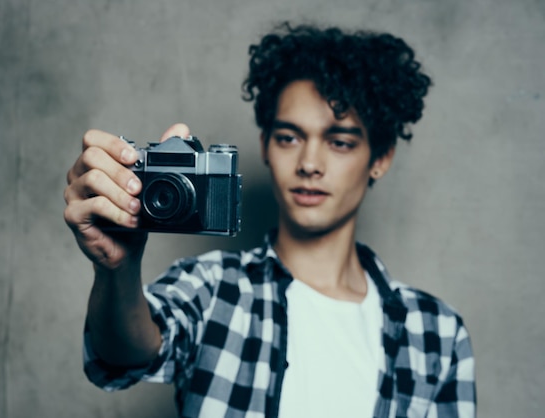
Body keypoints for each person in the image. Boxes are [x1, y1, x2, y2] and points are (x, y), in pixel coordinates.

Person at [64, 22, 476, 417]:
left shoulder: (435, 333)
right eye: (289, 138)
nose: (309, 163)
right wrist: (118, 268)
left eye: (339, 142)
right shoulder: (213, 287)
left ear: (380, 158)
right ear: (264, 145)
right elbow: (124, 356)